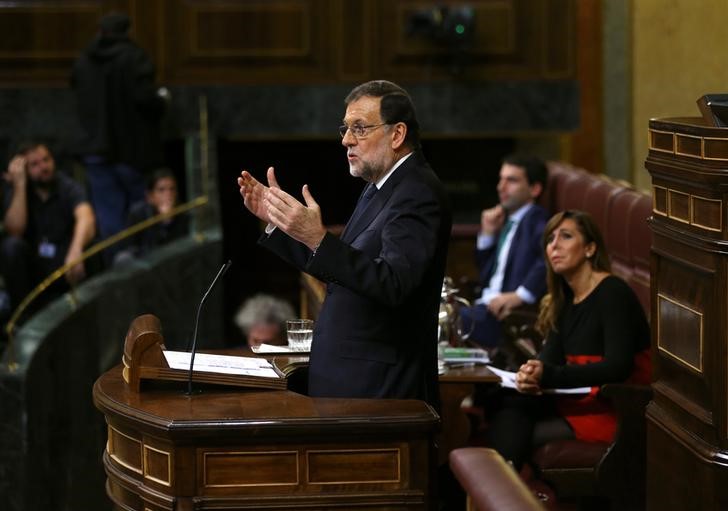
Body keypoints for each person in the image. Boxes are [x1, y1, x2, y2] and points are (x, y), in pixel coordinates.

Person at [237, 80, 452, 405]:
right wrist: (277, 224)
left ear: (397, 134)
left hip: (381, 392)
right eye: (345, 128)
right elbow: (342, 271)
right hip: (352, 381)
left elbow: (393, 283)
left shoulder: (417, 193)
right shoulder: (379, 187)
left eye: (360, 129)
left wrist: (318, 238)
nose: (346, 140)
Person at [485, 210, 651, 470]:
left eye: (566, 236)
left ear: (589, 248)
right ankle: (503, 493)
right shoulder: (563, 299)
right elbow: (549, 360)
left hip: (611, 409)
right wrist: (532, 372)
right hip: (576, 403)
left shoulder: (613, 292)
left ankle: (502, 493)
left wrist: (548, 374)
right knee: (501, 400)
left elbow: (618, 367)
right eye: (550, 240)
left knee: (511, 420)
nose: (555, 246)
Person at [70, 12, 168, 256]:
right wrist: (163, 100)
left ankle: (115, 274)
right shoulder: (134, 58)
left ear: (101, 31)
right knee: (140, 217)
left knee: (109, 221)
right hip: (130, 152)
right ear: (127, 31)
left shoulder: (84, 61)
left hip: (95, 152)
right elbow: (146, 100)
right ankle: (137, 272)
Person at [459, 155, 549, 349]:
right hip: (485, 306)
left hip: (505, 315)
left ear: (535, 189)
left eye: (512, 180)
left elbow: (548, 258)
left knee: (442, 320)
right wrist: (488, 235)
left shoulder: (538, 220)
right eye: (501, 179)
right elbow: (486, 275)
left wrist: (520, 295)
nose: (501, 187)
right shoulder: (507, 221)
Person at [0, 141, 96, 313]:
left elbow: (86, 215)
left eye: (46, 160)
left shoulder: (66, 186)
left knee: (93, 242)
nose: (43, 167)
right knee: (11, 246)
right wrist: (20, 185)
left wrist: (76, 250)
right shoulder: (18, 191)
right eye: (34, 164)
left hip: (65, 267)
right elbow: (14, 230)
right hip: (33, 274)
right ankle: (21, 318)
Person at [113, 169, 188, 265]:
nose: (168, 194)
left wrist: (168, 222)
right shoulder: (138, 213)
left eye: (172, 189)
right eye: (161, 190)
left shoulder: (183, 214)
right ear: (150, 196)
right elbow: (132, 247)